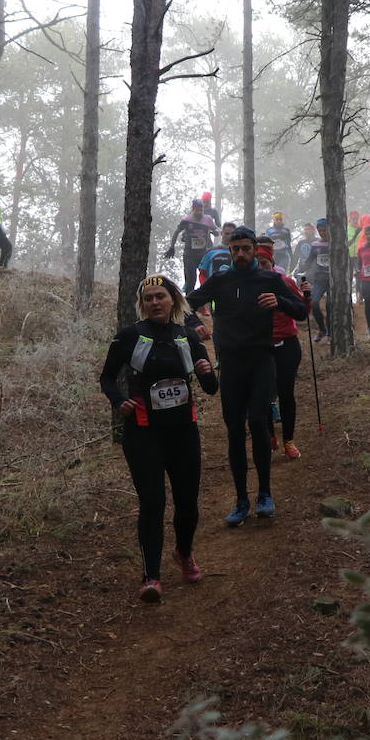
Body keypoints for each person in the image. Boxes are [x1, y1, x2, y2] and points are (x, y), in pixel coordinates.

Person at [99, 275, 218, 602]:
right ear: (142, 303)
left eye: (160, 296)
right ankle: (151, 575)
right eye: (148, 297)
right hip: (143, 433)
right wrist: (118, 400)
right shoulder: (129, 336)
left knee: (187, 503)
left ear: (173, 300)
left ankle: (184, 552)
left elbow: (210, 389)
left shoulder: (188, 337)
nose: (154, 302)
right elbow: (107, 377)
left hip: (183, 432)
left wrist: (208, 372)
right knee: (152, 503)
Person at [186, 228, 306, 526]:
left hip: (262, 360)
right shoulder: (222, 280)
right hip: (231, 364)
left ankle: (265, 493)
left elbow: (301, 310)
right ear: (229, 250)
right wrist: (194, 325)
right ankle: (241, 499)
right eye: (235, 249)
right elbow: (186, 303)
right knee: (235, 430)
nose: (240, 254)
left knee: (257, 422)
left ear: (255, 249)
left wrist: (279, 302)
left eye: (245, 248)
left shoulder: (269, 279)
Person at [256, 244, 310, 459]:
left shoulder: (285, 282)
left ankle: (289, 440)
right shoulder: (247, 286)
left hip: (287, 345)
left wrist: (307, 298)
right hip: (261, 346)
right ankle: (270, 437)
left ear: (272, 264)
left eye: (264, 263)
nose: (260, 267)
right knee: (264, 394)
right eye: (256, 263)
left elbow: (302, 312)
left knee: (286, 393)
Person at [166, 199, 219, 293]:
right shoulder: (187, 220)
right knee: (190, 280)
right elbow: (177, 232)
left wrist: (215, 232)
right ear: (193, 209)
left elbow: (216, 230)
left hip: (203, 254)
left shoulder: (208, 219)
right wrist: (172, 247)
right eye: (197, 210)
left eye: (201, 209)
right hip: (189, 254)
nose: (199, 212)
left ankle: (206, 302)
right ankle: (189, 304)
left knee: (206, 279)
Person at [295, 218, 332, 342]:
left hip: (332, 281)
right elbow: (309, 261)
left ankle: (331, 333)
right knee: (314, 303)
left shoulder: (336, 243)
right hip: (319, 279)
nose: (322, 233)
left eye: (324, 230)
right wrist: (299, 272)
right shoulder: (316, 245)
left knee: (329, 305)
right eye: (320, 231)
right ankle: (322, 329)